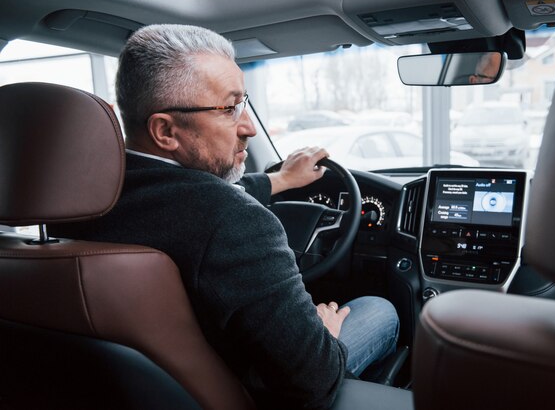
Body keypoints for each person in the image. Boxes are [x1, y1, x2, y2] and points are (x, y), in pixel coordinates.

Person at [50, 24, 398, 410]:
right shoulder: (234, 221)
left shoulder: (72, 205)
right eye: (229, 109)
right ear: (165, 131)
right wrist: (326, 334)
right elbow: (311, 383)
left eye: (244, 103)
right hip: (250, 391)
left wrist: (279, 180)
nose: (248, 126)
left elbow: (181, 200)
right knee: (380, 310)